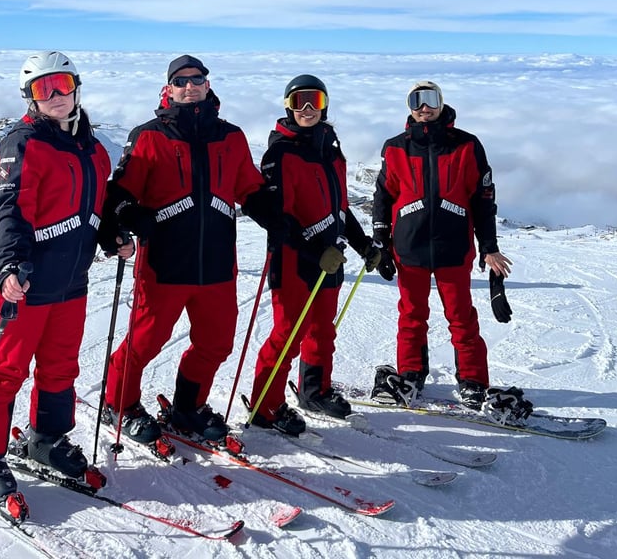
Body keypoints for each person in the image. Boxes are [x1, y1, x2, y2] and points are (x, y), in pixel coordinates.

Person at [0, 50, 133, 500]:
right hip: (24, 283)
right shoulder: (23, 143)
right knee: (5, 372)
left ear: (76, 88)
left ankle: (46, 439)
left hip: (71, 281)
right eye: (43, 89)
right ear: (30, 97)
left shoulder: (93, 148)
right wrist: (11, 266)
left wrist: (112, 235)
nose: (55, 96)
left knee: (60, 368)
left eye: (62, 86)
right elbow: (11, 211)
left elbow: (93, 209)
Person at [102, 54, 274, 444]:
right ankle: (119, 403)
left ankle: (188, 407)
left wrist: (274, 216)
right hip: (164, 262)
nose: (189, 85)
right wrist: (130, 213)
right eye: (180, 81)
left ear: (208, 85)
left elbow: (249, 187)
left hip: (216, 264)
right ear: (168, 89)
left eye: (197, 79)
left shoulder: (231, 136)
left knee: (216, 343)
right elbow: (123, 191)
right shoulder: (151, 135)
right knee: (144, 342)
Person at [370, 81, 523, 414]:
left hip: (453, 246)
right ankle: (410, 375)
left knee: (461, 317)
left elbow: (483, 200)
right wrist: (381, 240)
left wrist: (489, 246)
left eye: (431, 99)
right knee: (411, 316)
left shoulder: (466, 146)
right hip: (409, 248)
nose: (424, 107)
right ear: (408, 106)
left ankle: (473, 382)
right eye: (416, 100)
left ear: (442, 103)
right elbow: (383, 195)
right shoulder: (395, 147)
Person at [247, 75, 380, 436]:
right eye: (300, 101)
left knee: (322, 330)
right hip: (294, 258)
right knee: (289, 333)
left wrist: (361, 243)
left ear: (325, 105)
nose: (307, 109)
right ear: (287, 106)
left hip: (330, 256)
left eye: (315, 101)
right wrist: (314, 248)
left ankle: (314, 391)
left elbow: (339, 208)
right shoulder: (280, 153)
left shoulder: (330, 149)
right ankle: (265, 405)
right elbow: (277, 218)